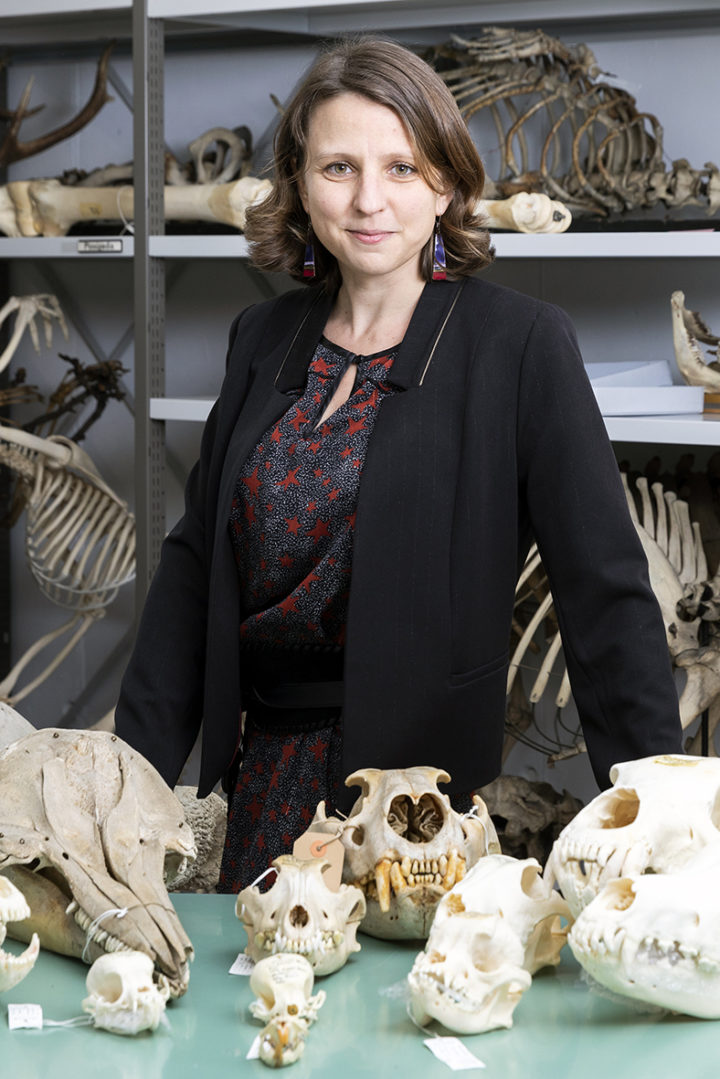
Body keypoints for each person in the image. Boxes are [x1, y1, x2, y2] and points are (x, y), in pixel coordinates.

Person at [115, 37, 683, 893]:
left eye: (402, 168)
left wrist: (661, 822)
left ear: (446, 182)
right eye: (339, 167)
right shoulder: (261, 339)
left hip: (418, 816)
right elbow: (194, 572)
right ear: (301, 185)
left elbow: (605, 596)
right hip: (264, 792)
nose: (369, 200)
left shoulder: (521, 345)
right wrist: (123, 793)